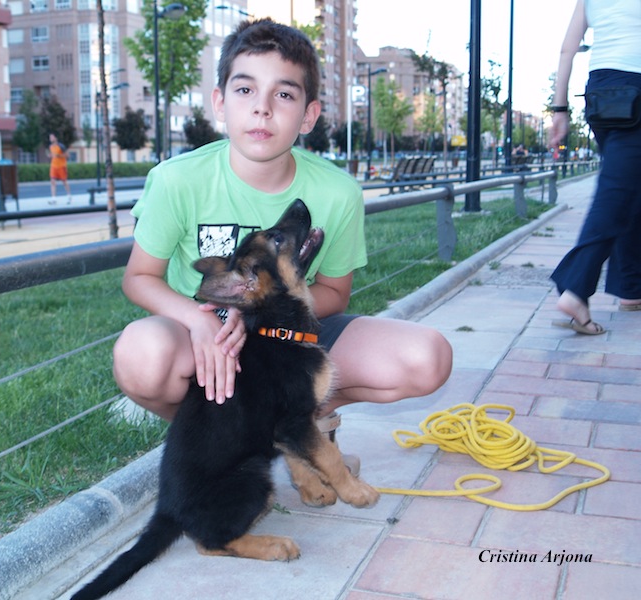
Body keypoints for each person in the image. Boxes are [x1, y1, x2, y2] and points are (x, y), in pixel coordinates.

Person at [111, 19, 452, 470]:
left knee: (428, 358)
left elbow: (334, 292)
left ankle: (299, 424)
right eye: (245, 90)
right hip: (206, 337)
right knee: (141, 355)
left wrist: (259, 317)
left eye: (284, 94)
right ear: (219, 102)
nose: (263, 109)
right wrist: (199, 323)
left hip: (289, 335)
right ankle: (235, 437)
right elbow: (139, 278)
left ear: (308, 115)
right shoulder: (177, 180)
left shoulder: (337, 192)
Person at [549, 0, 641, 334]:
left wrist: (560, 108)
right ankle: (575, 290)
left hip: (601, 89)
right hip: (637, 83)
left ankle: (631, 289)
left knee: (629, 186)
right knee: (617, 193)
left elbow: (566, 50)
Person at [47, 133, 71, 204]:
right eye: (50, 137)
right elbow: (52, 155)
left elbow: (67, 156)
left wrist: (58, 155)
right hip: (53, 166)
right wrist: (50, 156)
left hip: (61, 166)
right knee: (52, 181)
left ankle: (69, 196)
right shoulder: (50, 147)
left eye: (52, 137)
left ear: (56, 138)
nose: (51, 139)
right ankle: (53, 199)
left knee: (64, 182)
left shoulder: (61, 146)